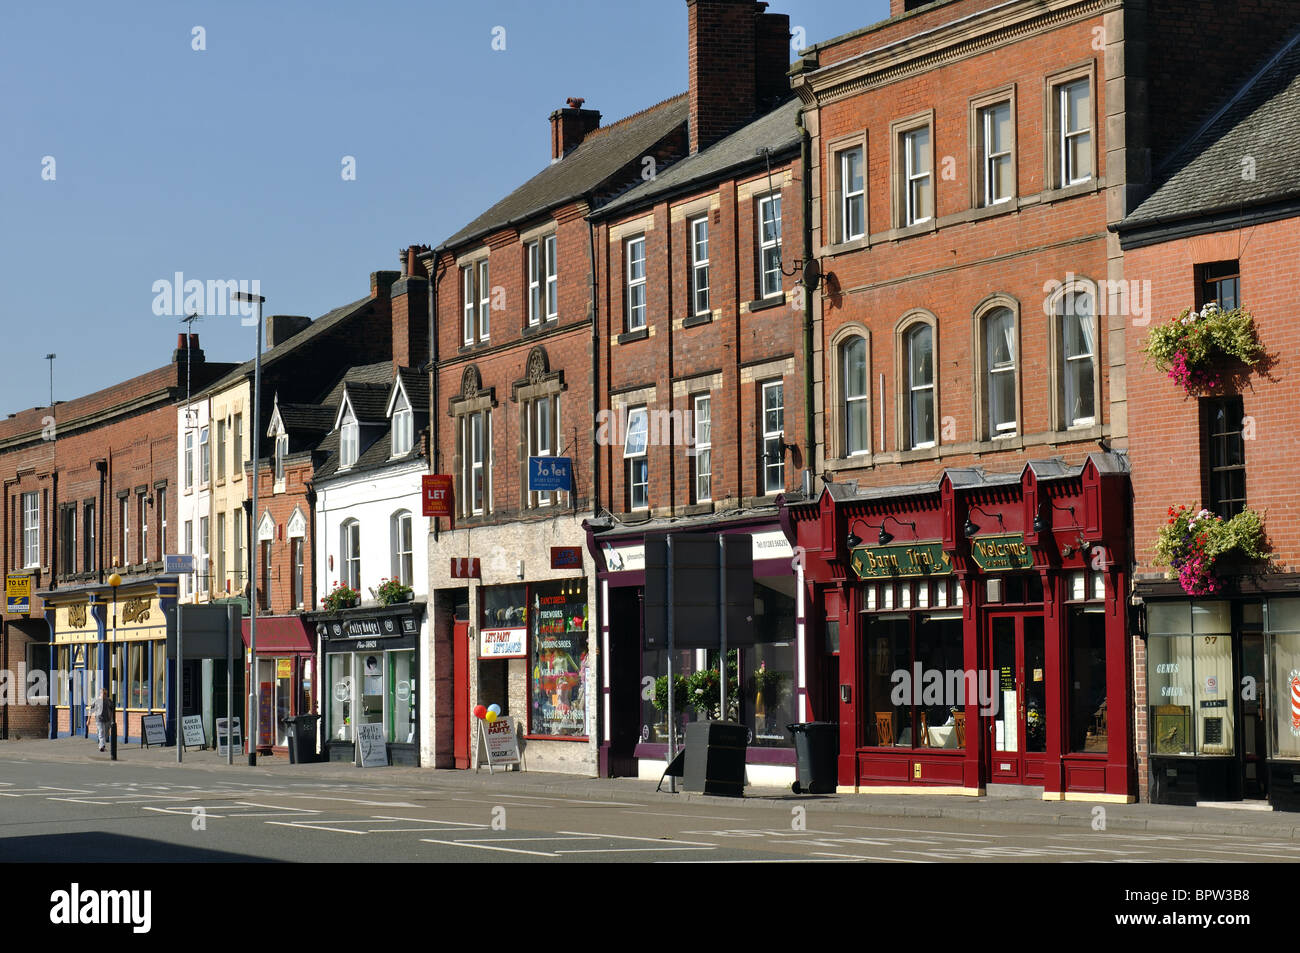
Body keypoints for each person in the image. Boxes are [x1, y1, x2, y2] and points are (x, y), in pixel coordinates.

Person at [88, 688, 114, 752]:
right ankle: (102, 747)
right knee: (101, 731)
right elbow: (90, 710)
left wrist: (111, 719)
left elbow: (111, 710)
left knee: (105, 734)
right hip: (99, 720)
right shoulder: (97, 701)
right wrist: (88, 720)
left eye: (106, 693)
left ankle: (101, 744)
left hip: (107, 719)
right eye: (104, 693)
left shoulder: (109, 701)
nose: (105, 695)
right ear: (100, 693)